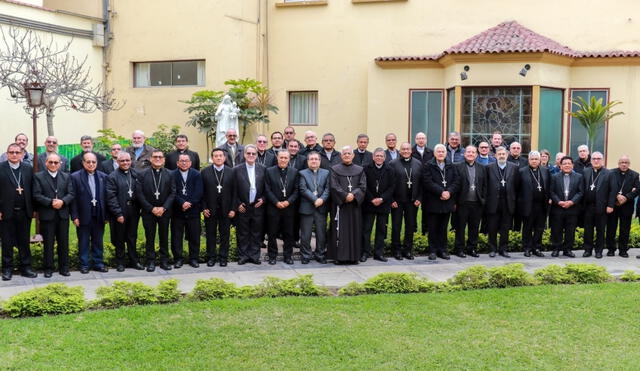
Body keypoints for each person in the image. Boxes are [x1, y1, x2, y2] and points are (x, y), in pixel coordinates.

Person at [33, 153, 75, 277]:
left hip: (62, 215)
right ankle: (48, 268)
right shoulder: (38, 177)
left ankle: (64, 268)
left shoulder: (66, 177)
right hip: (47, 215)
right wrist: (51, 202)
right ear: (46, 163)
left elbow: (71, 193)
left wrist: (63, 201)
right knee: (48, 243)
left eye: (56, 162)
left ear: (60, 164)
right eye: (50, 162)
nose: (53, 164)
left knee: (63, 242)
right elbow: (36, 195)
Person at [0, 143, 37, 280]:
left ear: (22, 154)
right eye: (11, 152)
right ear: (7, 154)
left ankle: (26, 267)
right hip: (6, 212)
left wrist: (33, 209)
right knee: (7, 241)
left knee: (24, 241)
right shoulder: (1, 168)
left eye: (17, 152)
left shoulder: (28, 168)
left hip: (24, 211)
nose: (14, 155)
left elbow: (33, 189)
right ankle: (7, 269)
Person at [137, 150, 176, 271]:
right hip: (149, 212)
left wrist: (163, 208)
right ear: (150, 159)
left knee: (164, 236)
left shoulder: (170, 174)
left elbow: (173, 193)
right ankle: (151, 261)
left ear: (164, 159)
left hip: (165, 211)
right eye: (155, 157)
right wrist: (151, 208)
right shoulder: (142, 174)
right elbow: (139, 194)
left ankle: (164, 261)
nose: (158, 159)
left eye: (160, 157)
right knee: (150, 237)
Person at [105, 152, 144, 272]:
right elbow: (111, 197)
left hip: (134, 211)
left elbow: (141, 192)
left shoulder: (136, 174)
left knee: (132, 237)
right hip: (120, 211)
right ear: (117, 162)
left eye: (127, 160)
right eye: (122, 161)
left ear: (131, 161)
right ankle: (120, 262)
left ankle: (133, 260)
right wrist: (118, 213)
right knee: (119, 238)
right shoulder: (112, 176)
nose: (125, 163)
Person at [70, 152, 109, 274]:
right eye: (88, 162)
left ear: (97, 163)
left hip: (99, 214)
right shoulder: (75, 177)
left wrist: (106, 215)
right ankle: (84, 264)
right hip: (83, 215)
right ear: (83, 163)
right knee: (84, 240)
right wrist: (75, 216)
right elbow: (73, 198)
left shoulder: (103, 176)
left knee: (98, 240)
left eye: (93, 162)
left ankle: (98, 263)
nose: (91, 164)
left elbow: (106, 197)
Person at [328, 146, 366, 264]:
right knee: (339, 230)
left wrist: (353, 195)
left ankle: (354, 257)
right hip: (340, 205)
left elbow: (363, 186)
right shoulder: (334, 169)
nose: (347, 155)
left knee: (355, 230)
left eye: (349, 153)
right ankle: (339, 257)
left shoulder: (360, 170)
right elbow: (334, 186)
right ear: (341, 155)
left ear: (353, 155)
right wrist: (345, 196)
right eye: (344, 153)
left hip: (354, 205)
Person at [423, 144, 459, 260]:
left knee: (443, 228)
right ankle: (432, 251)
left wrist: (448, 192)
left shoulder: (451, 166)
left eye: (443, 151)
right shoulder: (428, 165)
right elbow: (427, 182)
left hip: (447, 202)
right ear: (434, 153)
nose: (441, 153)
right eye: (438, 151)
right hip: (433, 201)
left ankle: (442, 250)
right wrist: (441, 192)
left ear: (446, 153)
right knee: (432, 227)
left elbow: (456, 181)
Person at [202, 148, 236, 267]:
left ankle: (223, 257)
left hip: (226, 209)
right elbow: (202, 192)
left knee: (224, 234)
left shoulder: (231, 172)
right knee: (210, 234)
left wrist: (233, 209)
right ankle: (211, 257)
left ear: (224, 158)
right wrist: (204, 207)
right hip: (210, 209)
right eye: (215, 156)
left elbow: (235, 192)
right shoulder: (205, 172)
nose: (218, 158)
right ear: (212, 158)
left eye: (220, 155)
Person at [264, 151, 299, 265]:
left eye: (285, 158)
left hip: (289, 208)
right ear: (277, 158)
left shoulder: (294, 172)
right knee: (272, 233)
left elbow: (296, 190)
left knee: (288, 233)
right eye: (281, 157)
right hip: (274, 207)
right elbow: (267, 189)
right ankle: (272, 256)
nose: (283, 160)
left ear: (289, 159)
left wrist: (288, 202)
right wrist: (276, 202)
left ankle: (288, 256)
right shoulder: (269, 171)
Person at [233, 144, 265, 265]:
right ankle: (243, 256)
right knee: (243, 233)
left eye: (253, 153)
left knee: (256, 233)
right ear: (244, 155)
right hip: (243, 206)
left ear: (256, 155)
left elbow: (267, 188)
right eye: (249, 153)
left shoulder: (263, 168)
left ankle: (255, 256)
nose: (251, 155)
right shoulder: (236, 169)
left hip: (257, 206)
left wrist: (263, 199)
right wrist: (237, 204)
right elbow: (233, 189)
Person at [389, 142, 422, 260]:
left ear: (411, 150)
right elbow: (389, 183)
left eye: (408, 149)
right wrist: (391, 199)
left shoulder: (418, 164)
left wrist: (419, 198)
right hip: (397, 201)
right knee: (396, 226)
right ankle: (396, 250)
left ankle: (408, 250)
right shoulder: (393, 164)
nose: (406, 151)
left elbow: (422, 183)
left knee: (410, 226)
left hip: (412, 201)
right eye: (403, 149)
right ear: (400, 151)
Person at [485, 147, 519, 258]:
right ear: (495, 155)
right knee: (492, 227)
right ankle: (492, 249)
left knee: (505, 227)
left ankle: (503, 249)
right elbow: (486, 185)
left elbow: (517, 185)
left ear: (507, 155)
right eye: (499, 154)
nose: (501, 155)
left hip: (508, 202)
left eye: (503, 154)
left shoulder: (514, 168)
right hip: (493, 202)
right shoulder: (489, 168)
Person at [171, 153, 203, 268]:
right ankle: (178, 259)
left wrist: (189, 203)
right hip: (177, 211)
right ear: (177, 163)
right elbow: (172, 192)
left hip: (193, 211)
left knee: (194, 236)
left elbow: (199, 191)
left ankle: (194, 259)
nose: (184, 163)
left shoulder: (197, 174)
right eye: (182, 161)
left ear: (190, 163)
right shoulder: (172, 174)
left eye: (186, 161)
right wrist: (182, 203)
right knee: (176, 237)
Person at [454, 145, 486, 258]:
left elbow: (485, 186)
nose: (471, 154)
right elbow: (455, 186)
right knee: (460, 227)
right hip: (462, 203)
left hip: (477, 203)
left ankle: (472, 249)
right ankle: (459, 249)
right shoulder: (457, 166)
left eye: (473, 152)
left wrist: (483, 199)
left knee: (474, 227)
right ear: (464, 153)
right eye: (468, 152)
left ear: (476, 155)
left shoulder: (482, 168)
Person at [298, 152, 331, 264]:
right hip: (307, 207)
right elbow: (303, 189)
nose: (314, 161)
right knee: (306, 234)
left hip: (321, 207)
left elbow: (328, 189)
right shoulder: (302, 173)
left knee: (321, 233)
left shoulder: (326, 173)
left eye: (316, 159)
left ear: (320, 161)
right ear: (308, 161)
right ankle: (306, 255)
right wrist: (315, 199)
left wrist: (321, 199)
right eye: (311, 159)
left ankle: (320, 254)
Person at [362, 148, 394, 262]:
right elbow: (364, 186)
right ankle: (365, 252)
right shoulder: (366, 168)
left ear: (384, 158)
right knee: (366, 229)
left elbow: (392, 187)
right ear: (373, 157)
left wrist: (382, 198)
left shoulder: (390, 169)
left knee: (381, 230)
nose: (379, 158)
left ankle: (378, 253)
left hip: (383, 204)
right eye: (377, 156)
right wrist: (372, 199)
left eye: (381, 156)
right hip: (369, 203)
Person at [518, 151, 550, 257]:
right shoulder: (522, 171)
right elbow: (517, 189)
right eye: (532, 159)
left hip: (541, 205)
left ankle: (536, 247)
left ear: (540, 160)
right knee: (527, 227)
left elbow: (548, 187)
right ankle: (527, 248)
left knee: (539, 228)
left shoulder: (545, 171)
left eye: (536, 159)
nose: (534, 161)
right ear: (529, 160)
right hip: (528, 205)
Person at [581, 152, 613, 258]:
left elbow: (612, 191)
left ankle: (599, 251)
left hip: (602, 207)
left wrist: (610, 205)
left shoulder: (608, 173)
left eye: (598, 158)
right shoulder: (586, 171)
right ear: (591, 160)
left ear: (602, 160)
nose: (596, 160)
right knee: (588, 230)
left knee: (600, 230)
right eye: (594, 158)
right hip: (588, 206)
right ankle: (587, 250)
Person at [549, 156, 583, 257]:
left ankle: (567, 249)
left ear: (573, 165)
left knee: (570, 230)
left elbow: (580, 192)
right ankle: (556, 248)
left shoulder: (579, 177)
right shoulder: (554, 177)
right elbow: (551, 191)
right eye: (564, 163)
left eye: (569, 163)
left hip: (572, 208)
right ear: (560, 165)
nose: (567, 165)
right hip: (558, 208)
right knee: (556, 229)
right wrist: (559, 202)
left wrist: (572, 202)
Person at [606, 156, 639, 258]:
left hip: (627, 206)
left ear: (629, 164)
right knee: (611, 228)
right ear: (618, 163)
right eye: (621, 162)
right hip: (614, 205)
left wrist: (626, 197)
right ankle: (611, 249)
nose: (624, 164)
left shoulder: (634, 175)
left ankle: (623, 250)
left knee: (625, 229)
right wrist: (617, 196)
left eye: (626, 162)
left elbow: (638, 189)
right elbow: (607, 187)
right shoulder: (611, 173)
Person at [412, 132, 434, 235]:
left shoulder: (431, 152)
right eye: (419, 138)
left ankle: (425, 232)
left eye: (423, 138)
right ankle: (414, 232)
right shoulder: (410, 151)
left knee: (427, 211)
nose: (421, 140)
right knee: (412, 211)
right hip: (413, 185)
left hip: (427, 186)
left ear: (426, 140)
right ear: (415, 140)